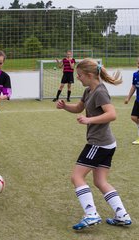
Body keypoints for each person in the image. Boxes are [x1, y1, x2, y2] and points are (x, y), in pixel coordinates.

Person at [56, 58, 131, 230]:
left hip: (99, 144)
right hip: (107, 144)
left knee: (76, 177)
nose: (78, 79)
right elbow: (79, 108)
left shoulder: (100, 92)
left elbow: (112, 114)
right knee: (100, 181)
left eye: (80, 76)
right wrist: (65, 106)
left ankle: (91, 214)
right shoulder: (89, 90)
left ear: (90, 75)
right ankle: (122, 215)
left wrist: (90, 119)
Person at [124, 58, 139, 145]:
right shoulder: (135, 74)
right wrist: (128, 98)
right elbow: (133, 86)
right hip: (138, 100)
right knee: (133, 117)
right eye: (138, 63)